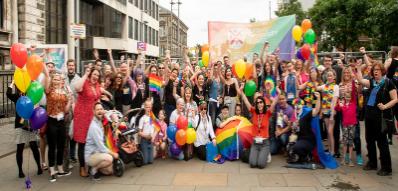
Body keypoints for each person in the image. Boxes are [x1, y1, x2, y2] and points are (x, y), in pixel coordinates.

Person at [356, 62, 396, 176]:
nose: (376, 71)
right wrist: (358, 68)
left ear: (382, 71)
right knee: (369, 141)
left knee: (382, 142)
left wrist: (385, 106)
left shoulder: (388, 83)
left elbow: (395, 99)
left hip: (380, 117)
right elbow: (360, 79)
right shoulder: (372, 82)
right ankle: (372, 163)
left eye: (378, 69)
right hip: (370, 117)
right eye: (374, 70)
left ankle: (386, 168)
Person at [7, 81, 42, 178]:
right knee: (20, 148)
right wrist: (13, 83)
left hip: (30, 125)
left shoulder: (31, 96)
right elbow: (8, 93)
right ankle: (20, 171)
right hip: (20, 125)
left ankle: (39, 167)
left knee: (34, 146)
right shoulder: (18, 97)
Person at [43, 68, 73, 182]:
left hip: (61, 122)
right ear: (52, 80)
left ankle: (60, 168)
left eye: (58, 79)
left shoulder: (64, 92)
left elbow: (65, 110)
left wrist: (70, 101)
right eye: (54, 79)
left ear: (61, 80)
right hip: (51, 121)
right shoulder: (49, 90)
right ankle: (52, 170)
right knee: (52, 147)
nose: (56, 81)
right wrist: (46, 72)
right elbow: (46, 80)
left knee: (61, 146)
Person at [73, 68, 102, 177]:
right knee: (82, 142)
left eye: (98, 75)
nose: (96, 77)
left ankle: (91, 166)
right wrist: (85, 74)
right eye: (94, 74)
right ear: (90, 74)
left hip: (93, 117)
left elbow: (98, 98)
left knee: (92, 142)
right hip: (82, 117)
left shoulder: (97, 85)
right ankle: (82, 168)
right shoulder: (84, 82)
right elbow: (76, 87)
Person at [240, 90, 277, 169]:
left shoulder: (268, 113)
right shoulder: (253, 112)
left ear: (264, 103)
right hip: (255, 143)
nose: (259, 104)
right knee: (252, 164)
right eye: (257, 103)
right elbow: (246, 101)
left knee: (261, 165)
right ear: (256, 104)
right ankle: (259, 155)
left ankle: (266, 153)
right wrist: (241, 91)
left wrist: (279, 93)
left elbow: (274, 103)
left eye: (261, 102)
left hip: (264, 143)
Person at [85, 103, 119, 180]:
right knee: (110, 158)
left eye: (101, 109)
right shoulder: (94, 127)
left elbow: (110, 117)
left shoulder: (99, 121)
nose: (100, 111)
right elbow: (101, 147)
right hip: (91, 155)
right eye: (97, 110)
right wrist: (113, 153)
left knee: (110, 171)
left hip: (99, 153)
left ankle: (96, 166)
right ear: (93, 111)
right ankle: (93, 170)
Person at [289, 92, 321, 163]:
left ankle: (307, 155)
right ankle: (302, 156)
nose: (297, 106)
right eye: (296, 105)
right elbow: (294, 131)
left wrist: (318, 98)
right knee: (290, 147)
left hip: (308, 140)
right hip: (299, 138)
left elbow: (316, 110)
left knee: (296, 148)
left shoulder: (306, 113)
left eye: (299, 104)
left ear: (302, 105)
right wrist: (293, 126)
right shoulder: (295, 115)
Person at [316, 69, 339, 156]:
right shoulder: (324, 86)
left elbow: (334, 101)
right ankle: (329, 150)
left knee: (330, 132)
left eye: (331, 76)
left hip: (332, 112)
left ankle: (332, 151)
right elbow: (316, 87)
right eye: (328, 75)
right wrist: (317, 75)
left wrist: (332, 115)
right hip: (325, 112)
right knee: (328, 132)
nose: (329, 77)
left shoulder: (336, 87)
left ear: (334, 77)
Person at [334, 90, 357, 167]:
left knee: (350, 141)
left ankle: (350, 159)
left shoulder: (353, 103)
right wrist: (339, 103)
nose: (348, 98)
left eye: (349, 97)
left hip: (352, 124)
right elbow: (336, 108)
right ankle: (343, 158)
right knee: (344, 141)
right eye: (346, 97)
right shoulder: (342, 105)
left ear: (351, 97)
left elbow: (354, 93)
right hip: (345, 125)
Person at [138, 100, 156, 165]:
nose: (149, 109)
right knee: (145, 162)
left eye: (150, 107)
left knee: (151, 161)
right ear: (144, 108)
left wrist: (153, 136)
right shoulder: (142, 118)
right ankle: (141, 151)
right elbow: (139, 132)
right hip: (144, 140)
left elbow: (156, 129)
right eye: (147, 107)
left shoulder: (152, 117)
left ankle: (148, 152)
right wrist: (146, 135)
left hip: (150, 140)